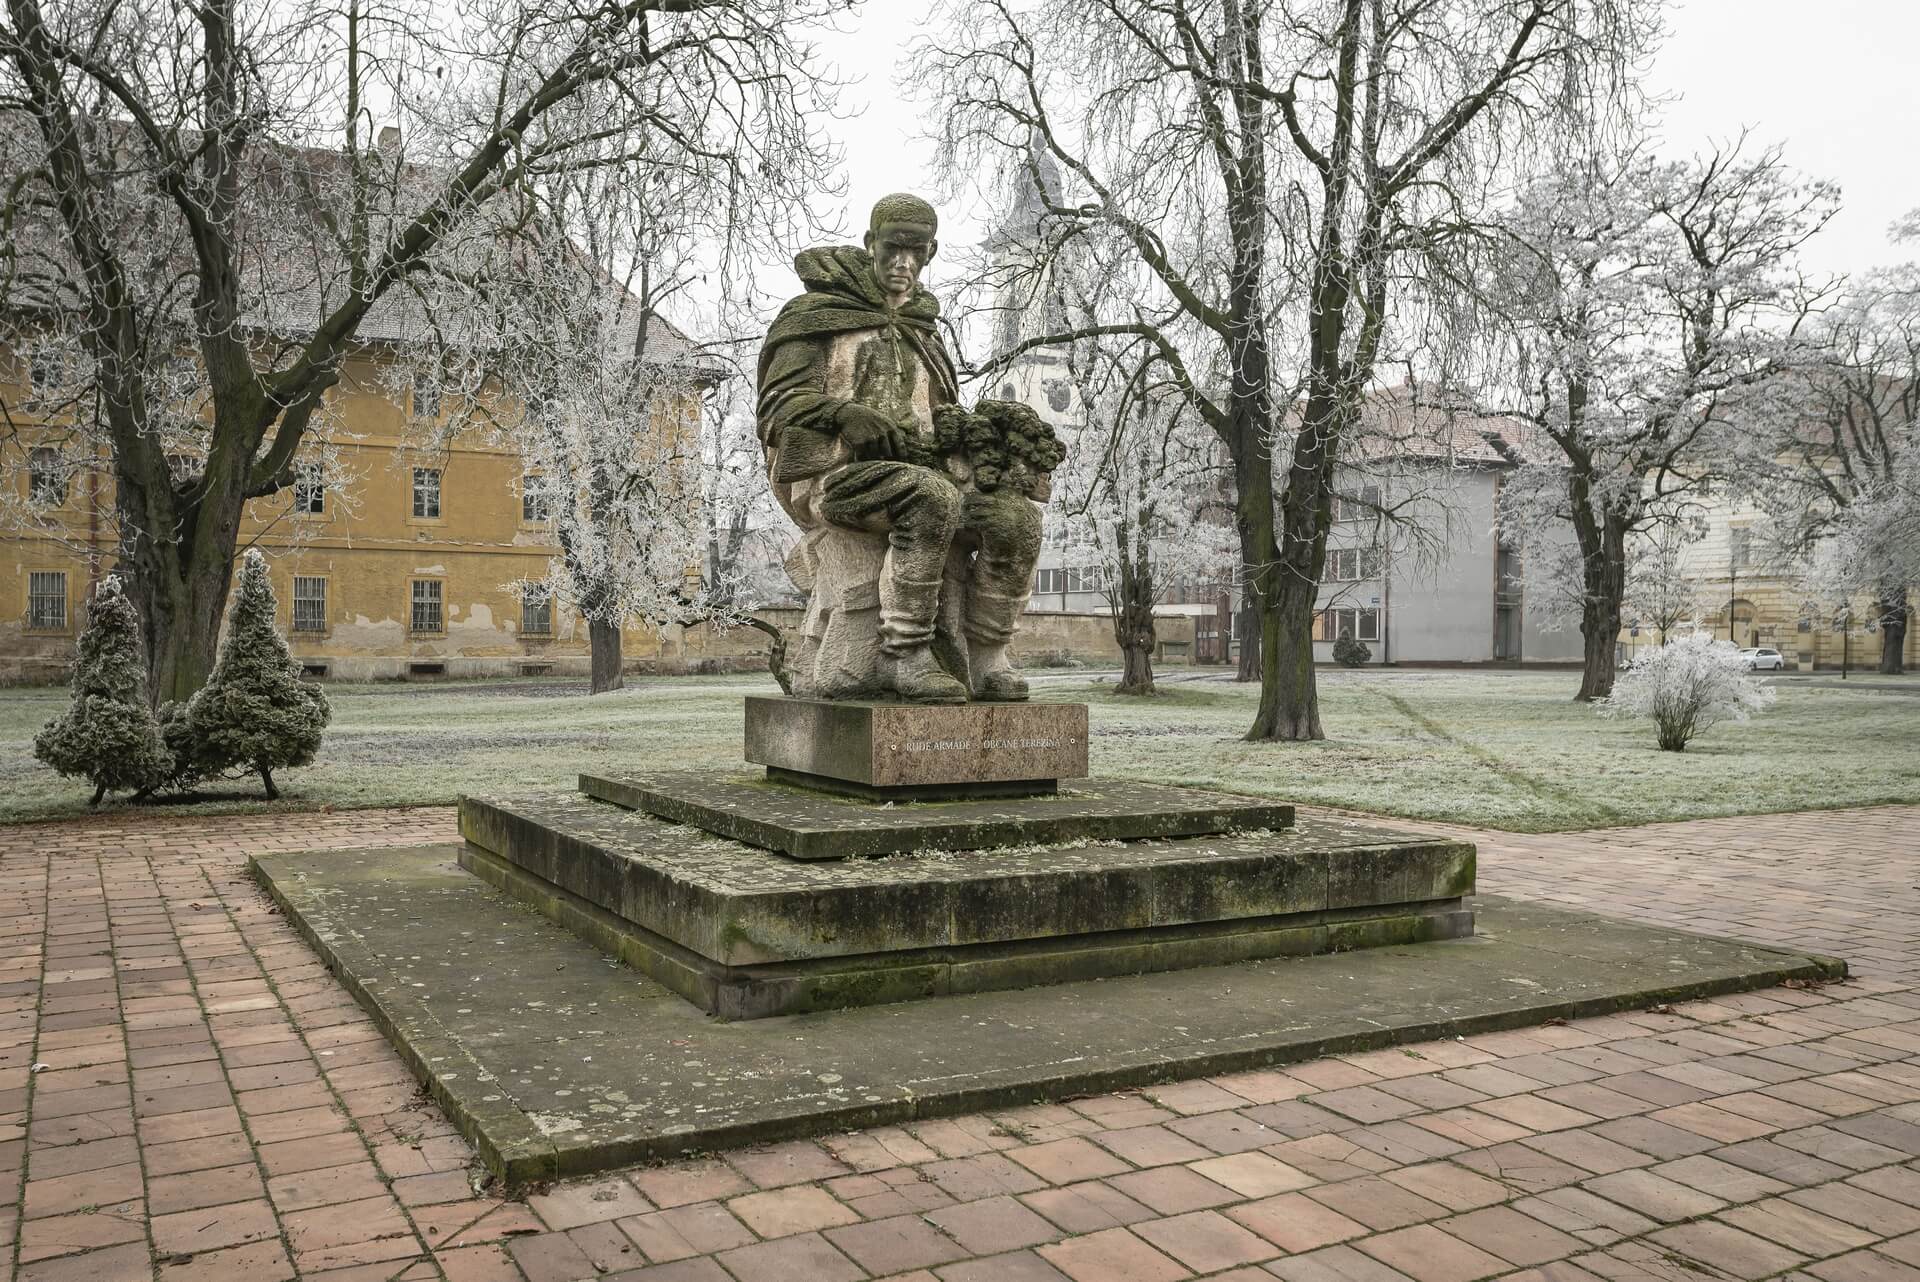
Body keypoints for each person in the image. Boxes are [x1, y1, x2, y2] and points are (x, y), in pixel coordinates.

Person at [757, 193, 1042, 702]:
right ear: (872, 244)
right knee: (930, 497)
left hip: (925, 475)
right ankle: (904, 654)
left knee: (1013, 520)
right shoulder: (817, 314)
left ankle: (986, 654)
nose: (904, 263)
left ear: (930, 253)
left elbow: (939, 412)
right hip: (841, 479)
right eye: (893, 248)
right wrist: (843, 414)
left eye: (918, 251)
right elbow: (778, 405)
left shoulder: (921, 329)